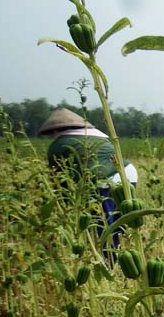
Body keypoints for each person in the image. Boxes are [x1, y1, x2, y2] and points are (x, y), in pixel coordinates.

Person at [38, 108, 138, 253]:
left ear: (55, 130)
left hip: (102, 181)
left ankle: (109, 260)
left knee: (102, 226)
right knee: (120, 221)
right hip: (127, 173)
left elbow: (58, 180)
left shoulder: (58, 145)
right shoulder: (100, 135)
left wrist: (65, 204)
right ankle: (122, 255)